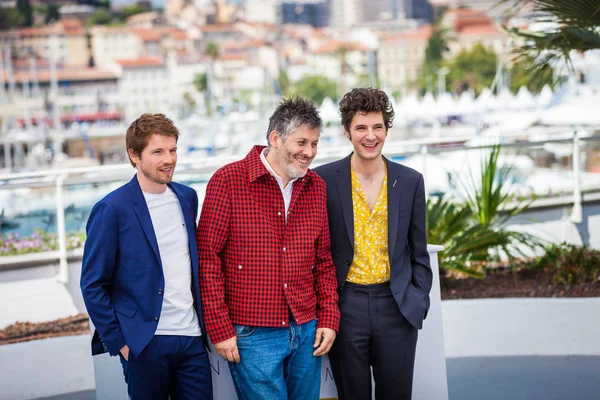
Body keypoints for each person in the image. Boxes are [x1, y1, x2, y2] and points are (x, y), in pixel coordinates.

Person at [197, 97, 340, 400]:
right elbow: (207, 259)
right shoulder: (228, 181)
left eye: (314, 144)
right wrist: (220, 327)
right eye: (301, 142)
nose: (309, 153)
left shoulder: (316, 187)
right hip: (252, 332)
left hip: (307, 328)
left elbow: (324, 261)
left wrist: (328, 317)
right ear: (275, 138)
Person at [80, 113, 212, 400]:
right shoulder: (112, 209)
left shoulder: (187, 197)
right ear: (134, 155)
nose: (169, 159)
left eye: (173, 150)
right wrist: (121, 343)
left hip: (191, 338)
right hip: (144, 342)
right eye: (158, 152)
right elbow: (92, 284)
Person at [313, 88, 433, 400]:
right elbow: (316, 250)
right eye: (361, 128)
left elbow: (419, 250)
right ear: (346, 131)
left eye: (377, 127)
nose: (370, 136)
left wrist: (418, 299)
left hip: (397, 305)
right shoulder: (323, 180)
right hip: (346, 305)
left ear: (386, 129)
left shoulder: (410, 181)